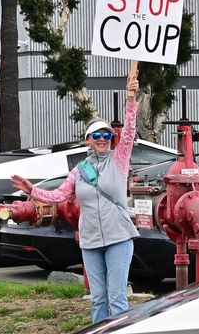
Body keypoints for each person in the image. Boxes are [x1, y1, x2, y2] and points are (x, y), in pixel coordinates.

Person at [9, 61, 141, 323]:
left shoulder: (119, 160)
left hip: (119, 239)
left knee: (117, 299)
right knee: (99, 300)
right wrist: (31, 190)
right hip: (90, 243)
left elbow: (128, 133)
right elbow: (56, 197)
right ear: (88, 140)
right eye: (96, 135)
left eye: (106, 134)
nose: (102, 139)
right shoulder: (79, 171)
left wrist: (130, 98)